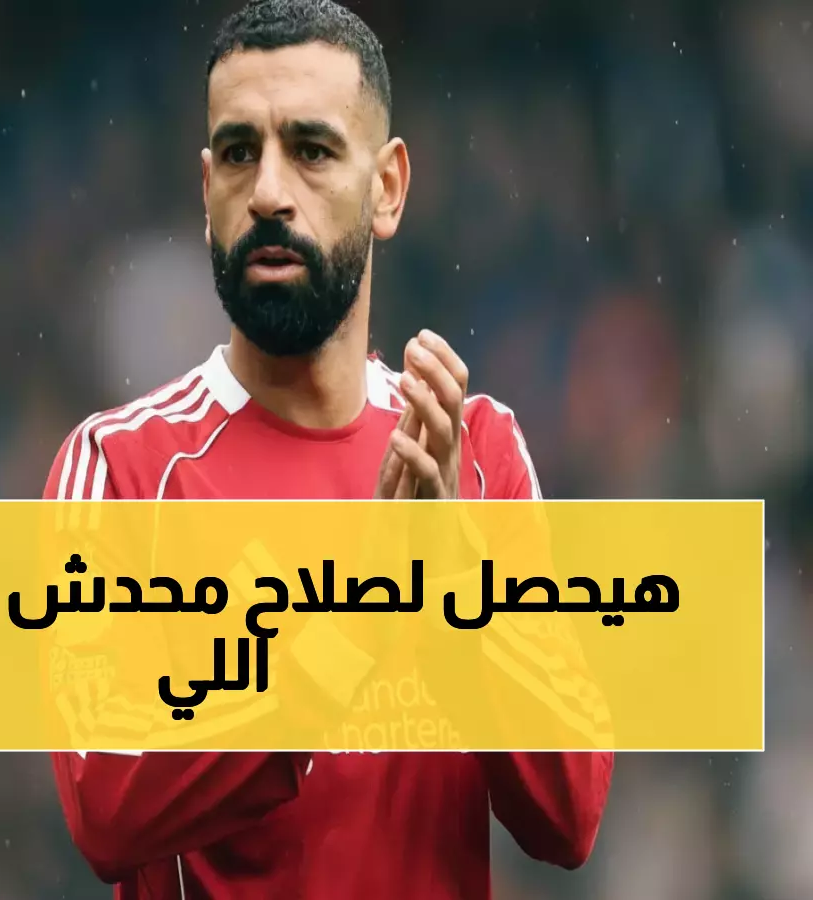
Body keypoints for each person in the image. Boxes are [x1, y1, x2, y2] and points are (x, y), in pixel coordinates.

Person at [43, 1, 614, 896]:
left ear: (387, 188)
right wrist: (350, 627)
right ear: (206, 192)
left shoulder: (472, 454)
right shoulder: (121, 469)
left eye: (311, 150)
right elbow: (107, 806)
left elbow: (569, 815)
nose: (269, 192)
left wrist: (454, 590)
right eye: (240, 153)